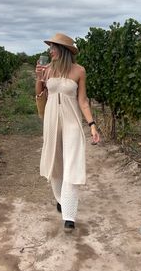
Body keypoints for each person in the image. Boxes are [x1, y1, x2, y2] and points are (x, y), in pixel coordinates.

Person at [35, 33, 100, 233]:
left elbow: (83, 100)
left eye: (53, 47)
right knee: (56, 163)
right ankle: (61, 200)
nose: (49, 51)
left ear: (62, 50)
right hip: (52, 121)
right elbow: (39, 96)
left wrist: (92, 124)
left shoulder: (79, 71)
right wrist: (38, 79)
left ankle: (69, 216)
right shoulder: (48, 70)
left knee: (71, 165)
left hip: (72, 123)